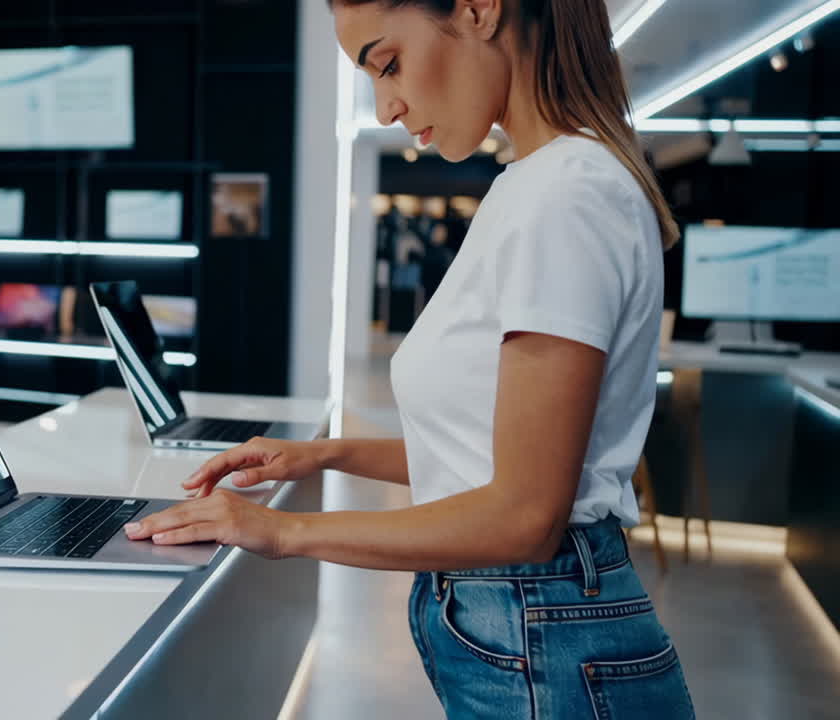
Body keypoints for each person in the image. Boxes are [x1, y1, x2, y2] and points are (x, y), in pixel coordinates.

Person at [123, 0, 694, 717]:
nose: (387, 107)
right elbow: (485, 457)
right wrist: (322, 456)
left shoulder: (566, 193)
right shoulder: (542, 183)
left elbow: (523, 515)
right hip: (528, 626)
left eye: (387, 64)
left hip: (539, 631)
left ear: (481, 10)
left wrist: (278, 530)